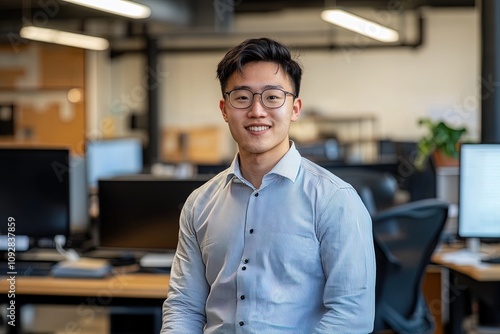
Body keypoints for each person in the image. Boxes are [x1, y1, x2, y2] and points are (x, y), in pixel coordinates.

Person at [161, 37, 375, 333]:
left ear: (295, 108)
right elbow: (184, 305)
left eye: (272, 97)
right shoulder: (200, 204)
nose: (257, 111)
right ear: (224, 109)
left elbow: (352, 316)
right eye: (242, 97)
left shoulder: (334, 200)